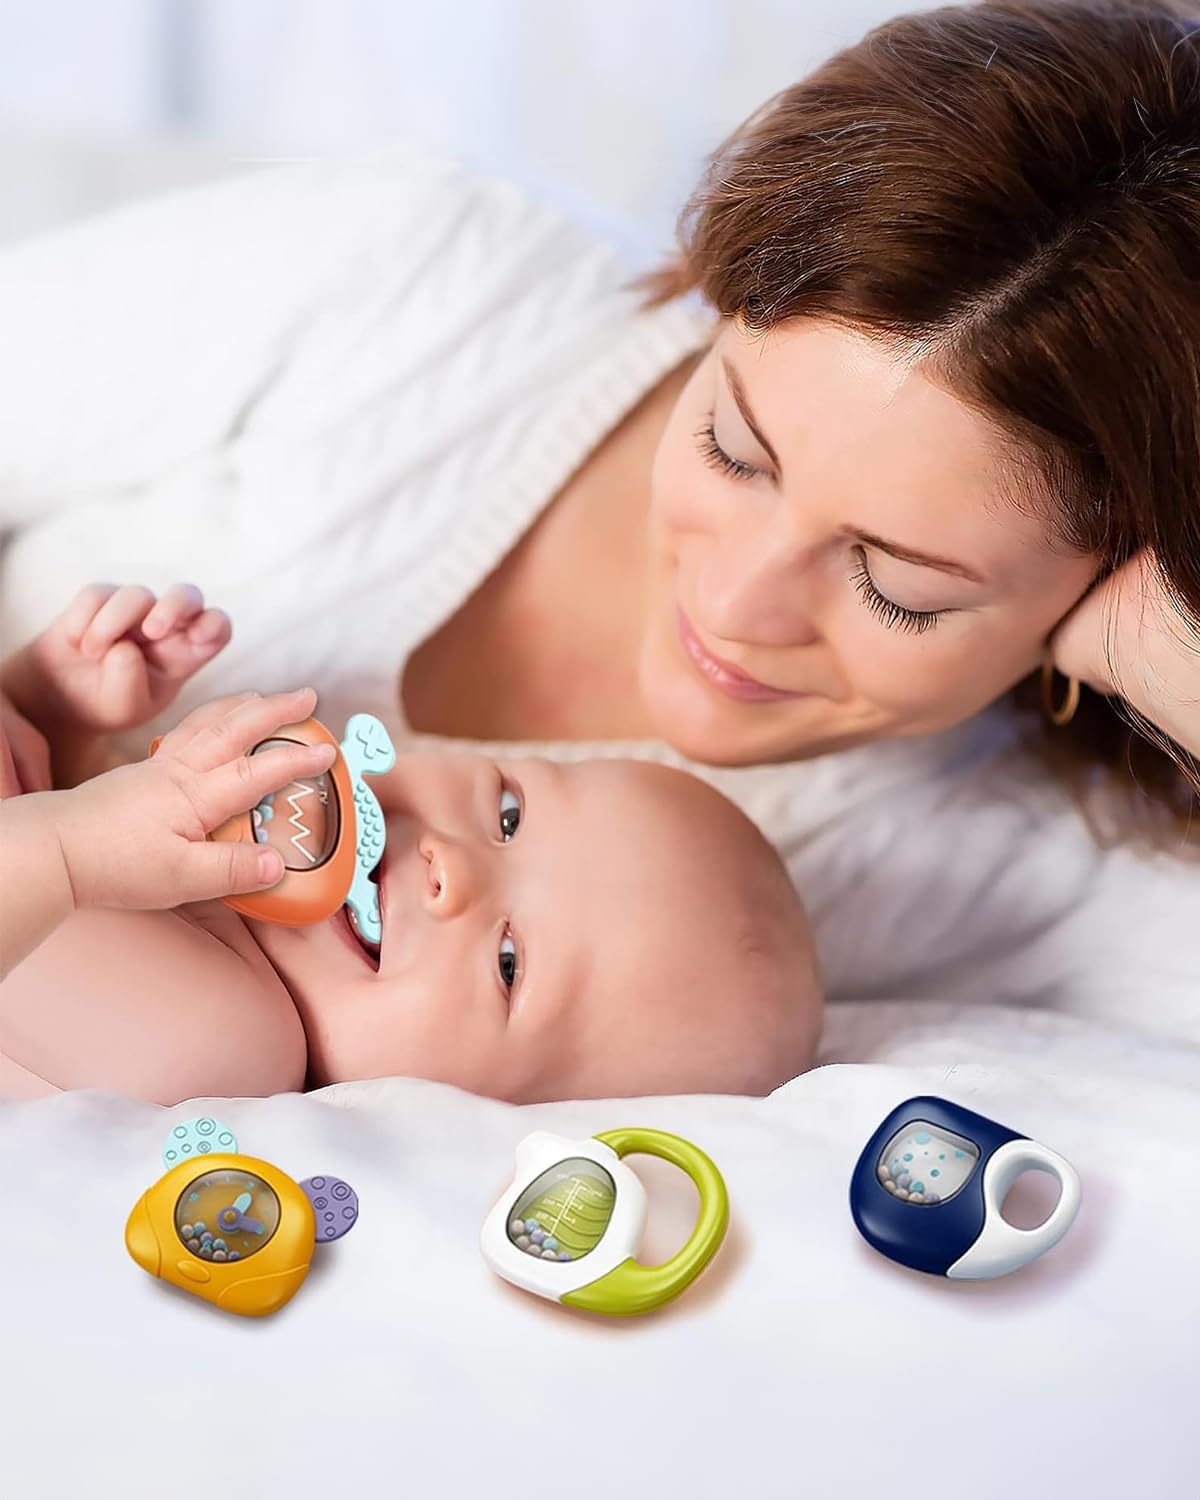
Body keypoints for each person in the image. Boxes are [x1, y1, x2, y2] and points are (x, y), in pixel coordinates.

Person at [3, 0, 1200, 1037]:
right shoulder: (419, 276)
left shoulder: (999, 861)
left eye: (901, 589)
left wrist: (1165, 649)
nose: (730, 605)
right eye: (734, 447)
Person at [0, 585, 821, 1104]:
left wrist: (71, 830)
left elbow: (46, 870)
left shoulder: (222, 1043)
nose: (450, 864)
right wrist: (55, 721)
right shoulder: (210, 897)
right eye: (508, 815)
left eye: (509, 964)